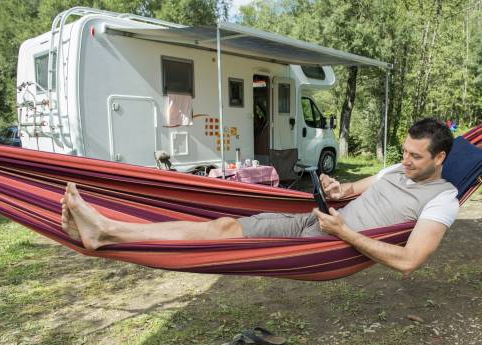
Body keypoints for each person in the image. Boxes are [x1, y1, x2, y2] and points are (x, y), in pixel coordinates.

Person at [61, 118, 458, 276]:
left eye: (415, 156)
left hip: (329, 245)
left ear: (439, 157)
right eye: (403, 151)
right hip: (318, 221)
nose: (404, 160)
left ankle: (107, 230)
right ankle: (107, 230)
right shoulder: (395, 169)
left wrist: (344, 233)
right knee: (224, 225)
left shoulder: (443, 199)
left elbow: (408, 262)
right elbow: (351, 190)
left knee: (226, 240)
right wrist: (335, 189)